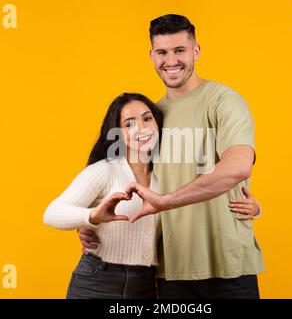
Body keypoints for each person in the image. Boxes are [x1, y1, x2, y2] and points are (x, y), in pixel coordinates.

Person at [80, 14, 265, 299]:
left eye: (179, 50)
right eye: (162, 52)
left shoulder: (223, 100)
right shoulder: (149, 117)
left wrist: (167, 202)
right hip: (171, 271)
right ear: (151, 55)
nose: (171, 60)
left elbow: (239, 166)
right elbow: (121, 180)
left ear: (196, 51)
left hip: (229, 266)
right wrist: (89, 221)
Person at [44, 93, 262, 299]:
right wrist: (91, 217)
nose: (141, 128)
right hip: (99, 281)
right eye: (129, 123)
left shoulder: (167, 177)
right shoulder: (106, 170)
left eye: (147, 118)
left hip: (147, 286)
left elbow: (197, 202)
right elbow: (52, 213)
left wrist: (255, 208)